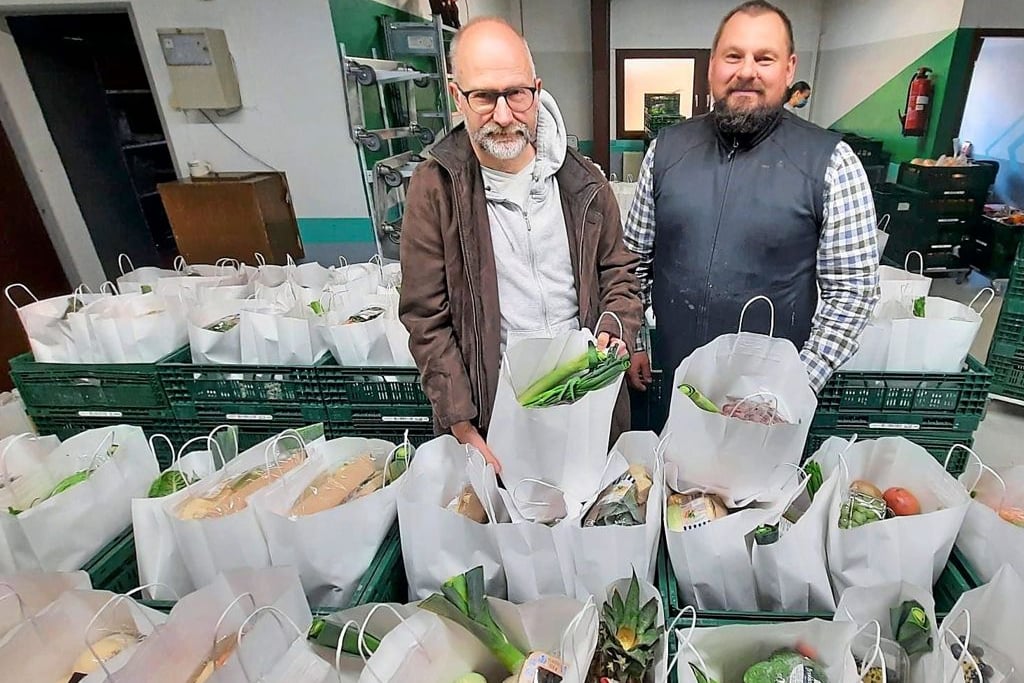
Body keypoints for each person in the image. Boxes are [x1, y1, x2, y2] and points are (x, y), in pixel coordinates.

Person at [399, 17, 642, 471]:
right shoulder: (436, 189)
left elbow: (620, 274)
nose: (504, 115)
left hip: (588, 407)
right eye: (484, 97)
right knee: (510, 535)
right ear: (457, 97)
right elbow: (425, 317)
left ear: (536, 90)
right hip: (496, 417)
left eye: (516, 93)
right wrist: (462, 425)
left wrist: (615, 324)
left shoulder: (583, 183)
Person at [623, 0, 878, 396]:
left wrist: (795, 385)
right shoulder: (666, 151)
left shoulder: (831, 163)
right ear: (712, 65)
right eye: (733, 56)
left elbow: (853, 291)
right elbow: (633, 262)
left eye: (764, 58)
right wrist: (638, 342)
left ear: (789, 68)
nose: (746, 71)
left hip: (770, 398)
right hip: (676, 381)